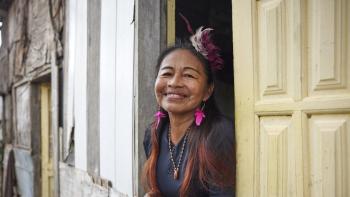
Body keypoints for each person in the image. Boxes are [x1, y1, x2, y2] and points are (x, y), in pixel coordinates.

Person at [143, 22, 235, 197]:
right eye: (167, 73)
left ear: (208, 91)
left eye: (188, 75)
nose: (174, 82)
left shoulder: (218, 134)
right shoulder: (152, 133)